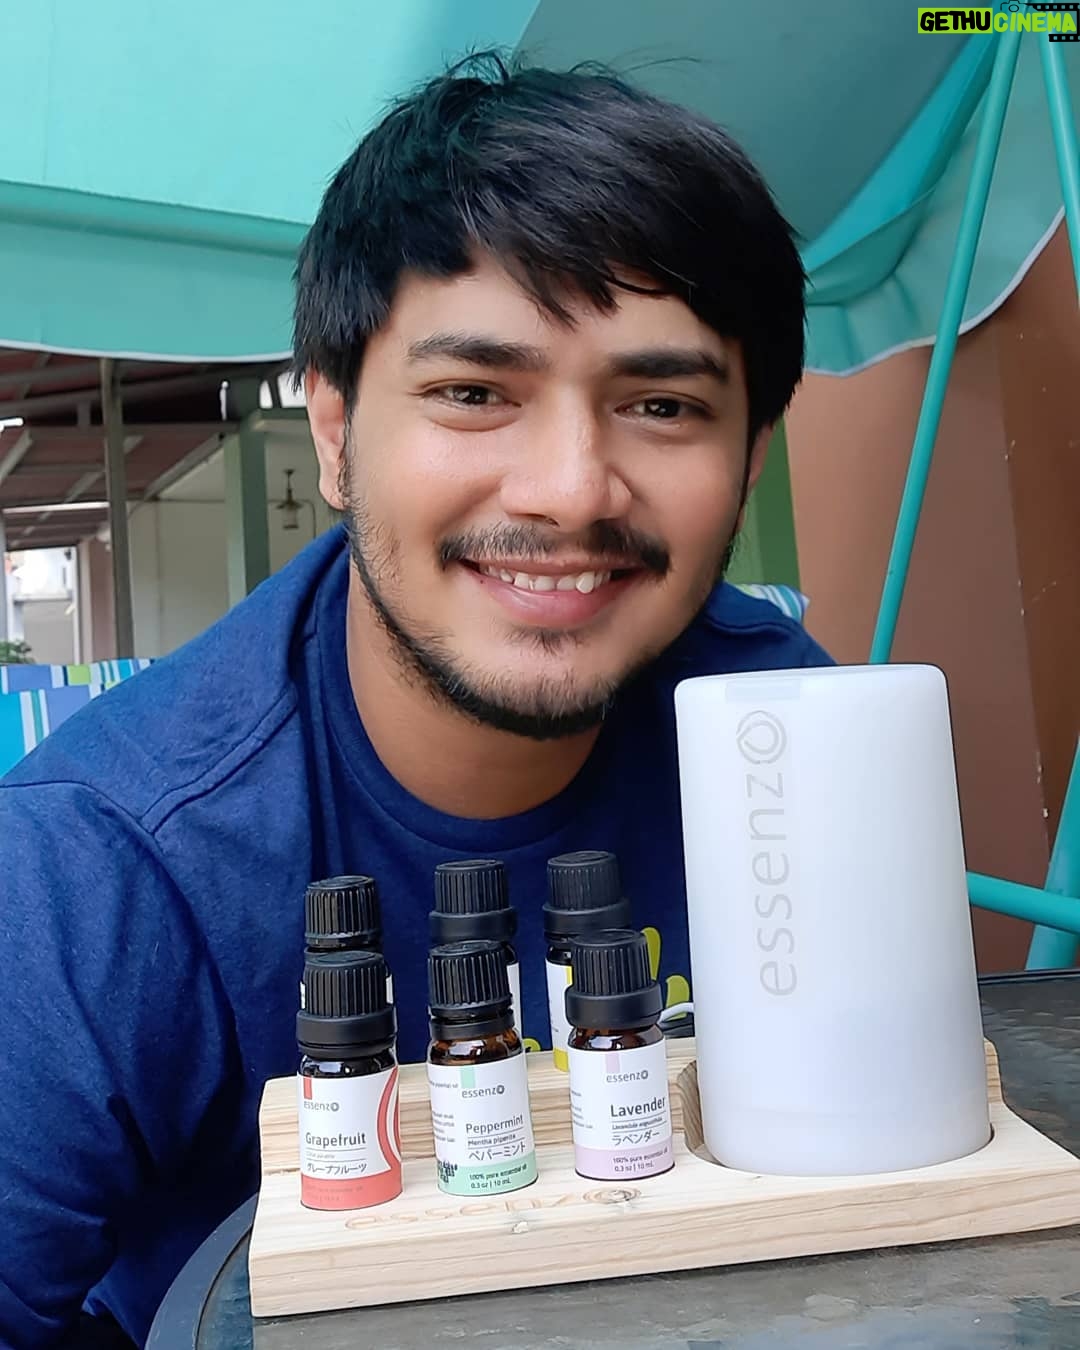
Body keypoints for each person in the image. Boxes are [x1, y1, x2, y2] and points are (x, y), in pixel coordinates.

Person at [0, 53, 830, 1349]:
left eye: (662, 405)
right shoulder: (98, 868)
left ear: (750, 456)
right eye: (474, 394)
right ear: (335, 431)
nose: (570, 489)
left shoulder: (786, 734)